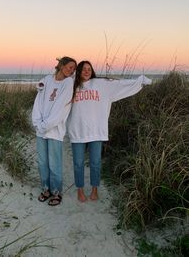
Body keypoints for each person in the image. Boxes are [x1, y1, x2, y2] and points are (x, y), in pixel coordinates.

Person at [67, 60, 152, 202]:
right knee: (78, 163)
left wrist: (139, 81)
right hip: (77, 130)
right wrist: (43, 86)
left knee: (95, 162)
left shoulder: (101, 84)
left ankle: (94, 190)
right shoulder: (71, 86)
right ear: (78, 72)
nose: (86, 71)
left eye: (89, 69)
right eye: (83, 69)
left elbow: (120, 85)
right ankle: (80, 190)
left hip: (96, 130)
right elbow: (57, 87)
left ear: (92, 70)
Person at [31, 56, 77, 206]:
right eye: (69, 67)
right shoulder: (47, 79)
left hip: (55, 131)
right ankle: (46, 189)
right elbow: (38, 102)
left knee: (54, 163)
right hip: (41, 130)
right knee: (43, 162)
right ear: (61, 65)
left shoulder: (68, 83)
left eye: (74, 69)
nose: (71, 71)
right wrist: (37, 123)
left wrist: (45, 126)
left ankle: (56, 192)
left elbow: (61, 110)